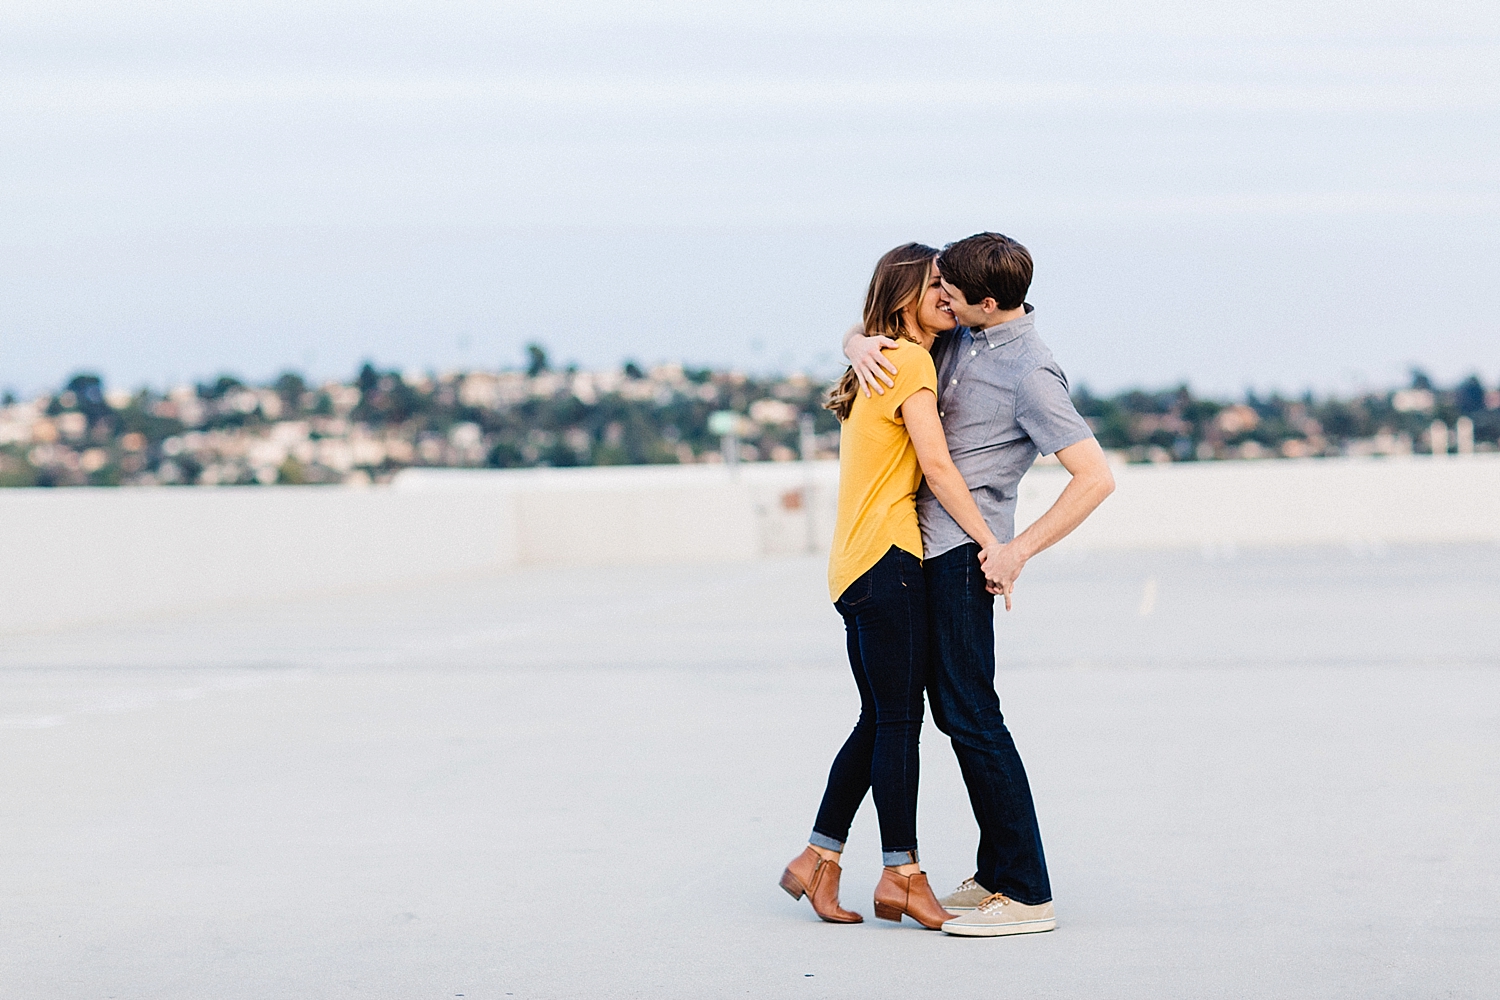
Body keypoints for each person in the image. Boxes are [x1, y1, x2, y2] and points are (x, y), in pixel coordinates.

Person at [842, 232, 1115, 937]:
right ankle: (995, 875)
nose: (945, 305)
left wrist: (1017, 550)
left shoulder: (1029, 370)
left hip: (968, 554)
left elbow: (1096, 477)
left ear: (988, 303)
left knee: (972, 715)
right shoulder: (968, 336)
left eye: (952, 296)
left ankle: (1026, 891)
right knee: (952, 714)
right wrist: (855, 342)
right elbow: (892, 317)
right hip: (920, 554)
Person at [780, 243, 1012, 930]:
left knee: (878, 718)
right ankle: (903, 873)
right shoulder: (906, 361)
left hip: (852, 566)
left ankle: (817, 861)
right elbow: (938, 467)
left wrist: (853, 337)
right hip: (888, 560)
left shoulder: (877, 357)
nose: (948, 292)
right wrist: (992, 543)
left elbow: (871, 333)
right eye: (935, 283)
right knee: (900, 722)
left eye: (951, 283)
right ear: (905, 294)